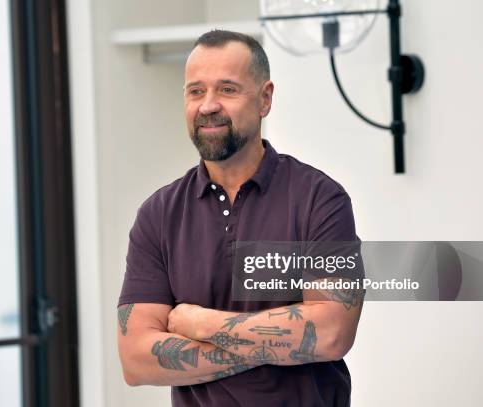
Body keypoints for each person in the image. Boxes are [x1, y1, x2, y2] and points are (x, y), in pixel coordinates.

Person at [117, 29, 363, 407]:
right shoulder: (158, 214)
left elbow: (331, 333)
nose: (208, 105)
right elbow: (136, 358)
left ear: (265, 99)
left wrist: (199, 325)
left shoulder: (320, 199)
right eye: (195, 91)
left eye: (227, 89)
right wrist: (278, 341)